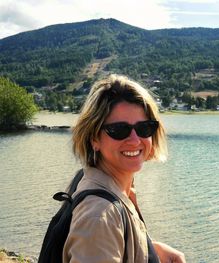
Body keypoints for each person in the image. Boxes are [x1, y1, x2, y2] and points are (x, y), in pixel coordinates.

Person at [63, 74, 186, 263]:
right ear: (94, 138)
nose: (135, 140)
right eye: (120, 130)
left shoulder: (113, 187)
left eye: (144, 128)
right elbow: (99, 233)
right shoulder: (100, 215)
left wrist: (150, 249)